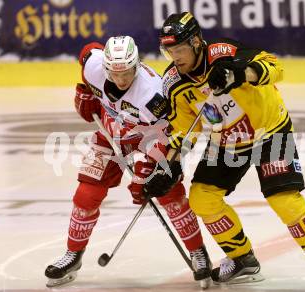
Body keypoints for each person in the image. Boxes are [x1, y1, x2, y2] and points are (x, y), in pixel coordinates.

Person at [143, 12, 305, 289]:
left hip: (270, 132)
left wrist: (241, 73)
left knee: (284, 200)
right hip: (226, 143)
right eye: (169, 52)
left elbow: (275, 67)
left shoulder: (224, 53)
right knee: (202, 199)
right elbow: (184, 129)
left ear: (195, 42)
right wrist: (169, 166)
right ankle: (242, 258)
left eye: (179, 49)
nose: (175, 57)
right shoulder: (174, 83)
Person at [44, 36, 212, 288]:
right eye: (114, 73)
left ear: (137, 64)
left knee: (168, 192)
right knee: (86, 193)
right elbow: (89, 50)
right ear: (105, 68)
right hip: (111, 131)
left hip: (152, 136)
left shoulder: (153, 94)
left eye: (127, 73)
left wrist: (150, 166)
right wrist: (86, 94)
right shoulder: (94, 67)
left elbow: (171, 131)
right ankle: (73, 255)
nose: (121, 80)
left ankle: (198, 252)